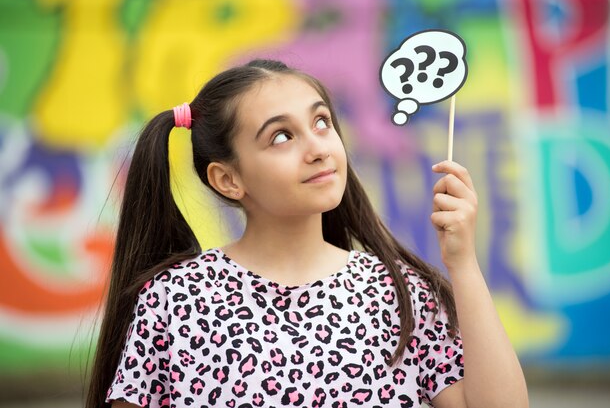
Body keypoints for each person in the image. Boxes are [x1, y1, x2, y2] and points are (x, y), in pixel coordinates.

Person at [86, 59, 528, 408]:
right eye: (281, 137)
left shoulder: (400, 294)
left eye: (321, 123)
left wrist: (464, 264)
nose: (318, 148)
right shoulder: (175, 300)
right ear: (227, 179)